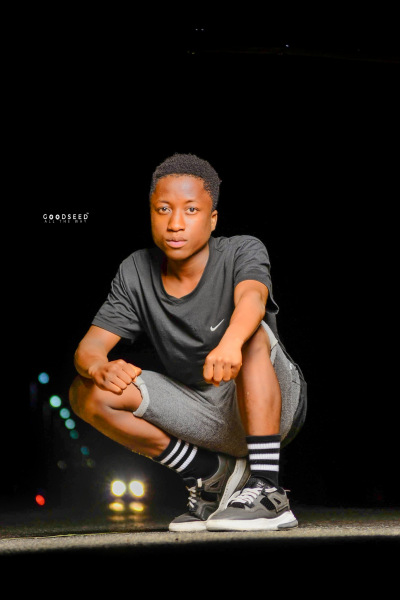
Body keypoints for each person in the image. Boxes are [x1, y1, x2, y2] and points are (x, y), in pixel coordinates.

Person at [69, 153, 307, 532]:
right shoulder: (135, 270)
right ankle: (209, 474)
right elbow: (89, 348)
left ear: (212, 219)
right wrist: (100, 367)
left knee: (252, 334)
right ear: (151, 213)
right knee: (87, 393)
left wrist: (231, 342)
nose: (175, 223)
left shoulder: (242, 250)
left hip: (274, 406)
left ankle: (268, 490)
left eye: (191, 210)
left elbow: (253, 299)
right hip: (202, 410)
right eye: (163, 209)